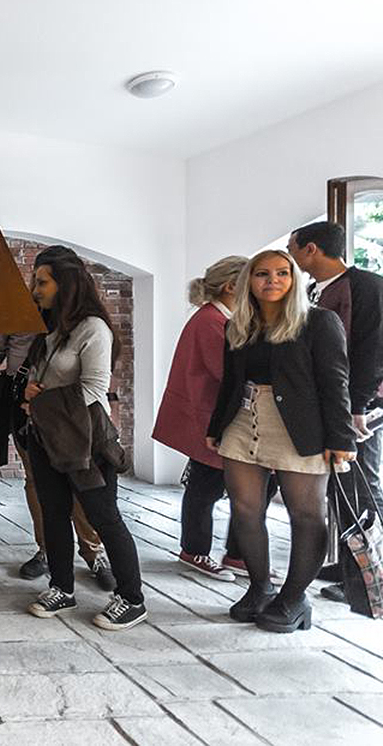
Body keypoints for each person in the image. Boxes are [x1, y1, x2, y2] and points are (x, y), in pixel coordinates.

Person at [206, 250, 357, 632]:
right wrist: (216, 426)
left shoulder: (319, 321)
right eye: (262, 274)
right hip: (244, 420)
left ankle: (294, 598)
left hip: (301, 426)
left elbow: (335, 382)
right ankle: (260, 588)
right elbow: (230, 381)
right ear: (248, 281)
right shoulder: (239, 324)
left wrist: (341, 437)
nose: (272, 280)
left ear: (293, 280)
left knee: (305, 514)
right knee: (244, 510)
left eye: (282, 273)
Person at [22, 249, 147, 631]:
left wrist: (40, 399)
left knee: (104, 517)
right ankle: (61, 588)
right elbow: (41, 378)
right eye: (36, 281)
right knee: (54, 512)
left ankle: (132, 599)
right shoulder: (50, 328)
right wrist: (31, 390)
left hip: (87, 440)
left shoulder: (93, 328)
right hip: (47, 436)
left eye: (42, 282)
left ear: (66, 283)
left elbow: (94, 389)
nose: (35, 289)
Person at [288, 221, 383, 608]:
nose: (290, 256)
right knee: (341, 487)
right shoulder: (316, 289)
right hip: (335, 405)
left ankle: (367, 574)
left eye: (293, 249)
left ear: (311, 249)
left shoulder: (367, 287)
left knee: (361, 486)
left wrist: (358, 407)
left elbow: (372, 350)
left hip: (361, 409)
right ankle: (348, 563)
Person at [0, 331, 115, 590]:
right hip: (24, 398)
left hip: (71, 402)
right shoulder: (13, 308)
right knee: (36, 479)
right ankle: (48, 550)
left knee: (80, 477)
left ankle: (93, 551)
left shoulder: (77, 316)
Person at [155, 256, 265, 581]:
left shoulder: (216, 317)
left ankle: (236, 554)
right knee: (206, 487)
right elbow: (227, 372)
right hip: (211, 417)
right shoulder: (211, 321)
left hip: (217, 415)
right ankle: (195, 550)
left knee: (234, 487)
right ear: (231, 286)